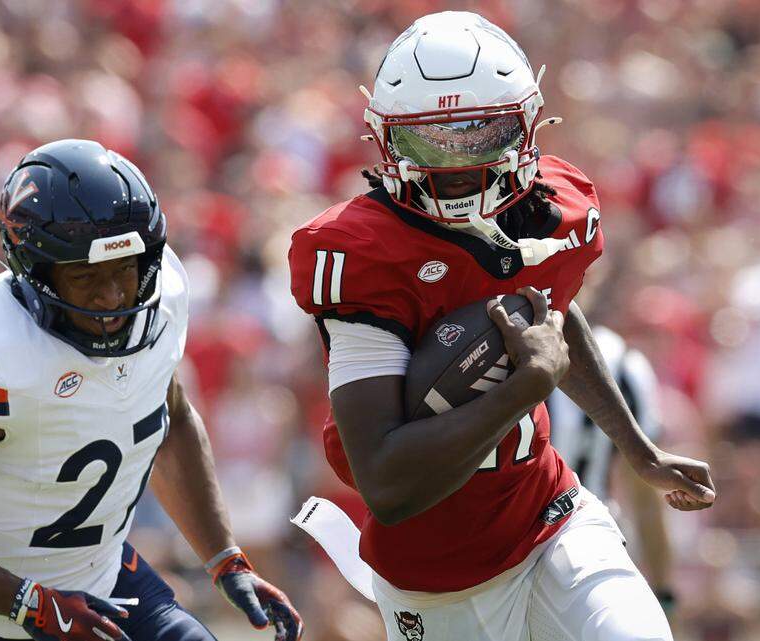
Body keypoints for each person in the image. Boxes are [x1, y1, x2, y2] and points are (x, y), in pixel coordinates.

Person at [288, 12, 715, 640]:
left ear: (527, 125)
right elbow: (386, 481)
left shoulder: (555, 207)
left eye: (479, 134)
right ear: (384, 140)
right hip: (438, 577)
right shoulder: (360, 254)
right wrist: (527, 385)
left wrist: (638, 451)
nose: (457, 163)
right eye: (432, 141)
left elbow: (552, 316)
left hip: (550, 514)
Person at [0, 139, 302, 641]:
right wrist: (33, 605)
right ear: (37, 273)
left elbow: (169, 421)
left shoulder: (163, 294)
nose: (111, 296)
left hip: (107, 582)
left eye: (123, 271)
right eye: (86, 276)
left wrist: (225, 560)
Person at [546, 326, 676, 615]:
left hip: (589, 543)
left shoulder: (622, 363)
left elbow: (646, 495)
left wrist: (664, 594)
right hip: (507, 549)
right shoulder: (499, 344)